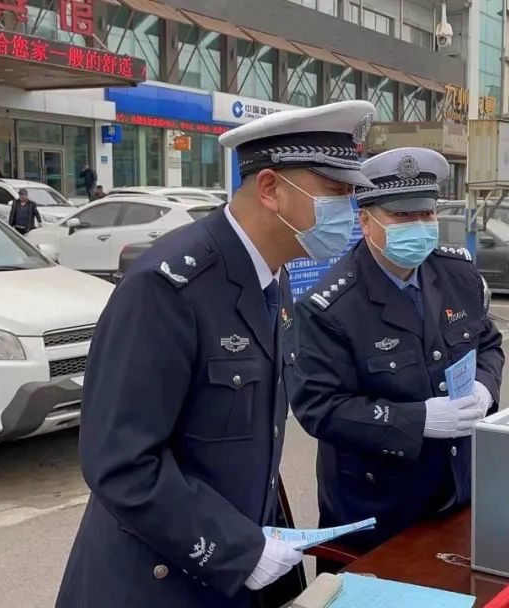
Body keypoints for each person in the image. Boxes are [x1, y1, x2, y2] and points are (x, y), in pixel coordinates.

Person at [56, 100, 378, 608]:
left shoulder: (275, 275)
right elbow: (121, 463)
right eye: (336, 193)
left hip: (231, 578)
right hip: (156, 583)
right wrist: (238, 550)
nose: (350, 211)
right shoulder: (171, 287)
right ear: (270, 189)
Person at [288, 148, 505, 566]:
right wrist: (419, 421)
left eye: (426, 215)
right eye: (402, 217)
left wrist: (484, 386)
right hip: (379, 513)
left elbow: (488, 343)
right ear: (366, 221)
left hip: (460, 492)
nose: (419, 227)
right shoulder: (331, 306)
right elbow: (319, 409)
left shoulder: (457, 274)